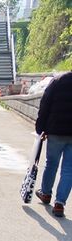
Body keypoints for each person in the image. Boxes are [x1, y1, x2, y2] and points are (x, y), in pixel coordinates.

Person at [34, 71, 72, 218]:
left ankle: (45, 194)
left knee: (51, 164)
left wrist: (40, 128)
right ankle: (59, 204)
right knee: (69, 169)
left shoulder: (57, 81)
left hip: (55, 131)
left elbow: (45, 104)